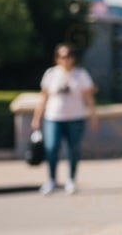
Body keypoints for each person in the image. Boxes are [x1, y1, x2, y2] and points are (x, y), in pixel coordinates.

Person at [31, 44, 98, 195]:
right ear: (57, 59)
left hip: (76, 118)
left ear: (73, 58)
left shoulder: (81, 75)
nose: (66, 59)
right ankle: (52, 180)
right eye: (62, 56)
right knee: (52, 147)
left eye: (68, 56)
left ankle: (71, 180)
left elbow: (89, 98)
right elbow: (43, 98)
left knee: (73, 150)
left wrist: (94, 116)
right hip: (54, 118)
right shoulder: (51, 74)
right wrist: (37, 118)